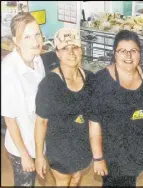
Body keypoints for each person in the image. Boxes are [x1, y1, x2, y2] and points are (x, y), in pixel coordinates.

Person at [88, 30, 143, 186]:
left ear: (140, 53)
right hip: (112, 156)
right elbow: (94, 123)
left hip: (137, 154)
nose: (128, 56)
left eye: (133, 51)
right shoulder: (101, 80)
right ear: (114, 53)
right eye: (122, 51)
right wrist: (98, 158)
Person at [34, 28, 94, 186]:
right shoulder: (49, 84)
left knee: (75, 180)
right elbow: (41, 122)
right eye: (65, 48)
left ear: (81, 50)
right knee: (63, 182)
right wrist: (39, 156)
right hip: (60, 150)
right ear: (57, 53)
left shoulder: (90, 78)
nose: (71, 52)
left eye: (75, 47)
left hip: (83, 147)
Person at [1, 12, 45, 186]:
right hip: (21, 148)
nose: (35, 41)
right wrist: (25, 155)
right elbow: (9, 119)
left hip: (37, 141)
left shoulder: (38, 59)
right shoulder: (9, 70)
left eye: (37, 34)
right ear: (16, 41)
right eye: (27, 37)